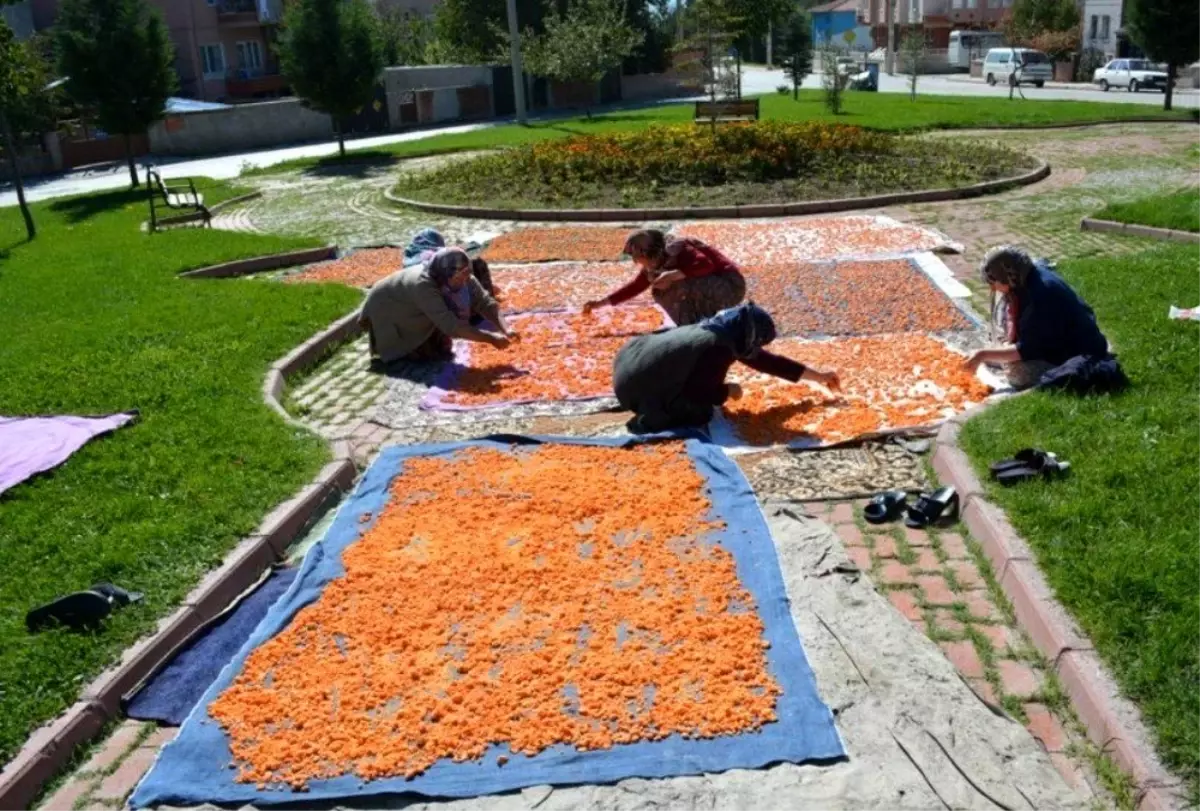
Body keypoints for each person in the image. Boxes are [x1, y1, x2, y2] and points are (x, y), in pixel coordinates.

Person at [613, 302, 841, 434]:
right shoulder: (717, 348)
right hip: (635, 388)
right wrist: (727, 391)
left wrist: (819, 377)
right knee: (700, 412)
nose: (755, 348)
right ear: (748, 337)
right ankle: (651, 416)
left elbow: (767, 362)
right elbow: (699, 392)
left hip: (627, 363)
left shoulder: (719, 331)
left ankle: (650, 398)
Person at [965, 246, 1109, 389]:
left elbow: (1027, 349)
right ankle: (1000, 356)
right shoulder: (1028, 275)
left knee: (1016, 372)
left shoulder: (1040, 294)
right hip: (1061, 338)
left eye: (993, 283)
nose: (993, 289)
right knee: (1001, 354)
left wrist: (982, 355)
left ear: (1006, 276)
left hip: (1079, 351)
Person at [359, 247, 515, 366]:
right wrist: (491, 338)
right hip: (388, 306)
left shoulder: (463, 274)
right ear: (443, 276)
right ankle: (398, 347)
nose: (463, 282)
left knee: (440, 350)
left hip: (412, 303)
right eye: (457, 279)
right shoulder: (423, 285)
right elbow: (450, 325)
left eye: (465, 277)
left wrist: (506, 328)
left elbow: (486, 302)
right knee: (414, 354)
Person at [582, 230, 746, 326]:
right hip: (713, 288)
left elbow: (706, 265)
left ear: (649, 252)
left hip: (730, 286)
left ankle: (702, 322)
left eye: (637, 256)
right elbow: (636, 287)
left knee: (674, 283)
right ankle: (695, 323)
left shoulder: (679, 248)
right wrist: (600, 303)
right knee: (659, 287)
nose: (635, 261)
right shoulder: (656, 262)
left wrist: (673, 275)